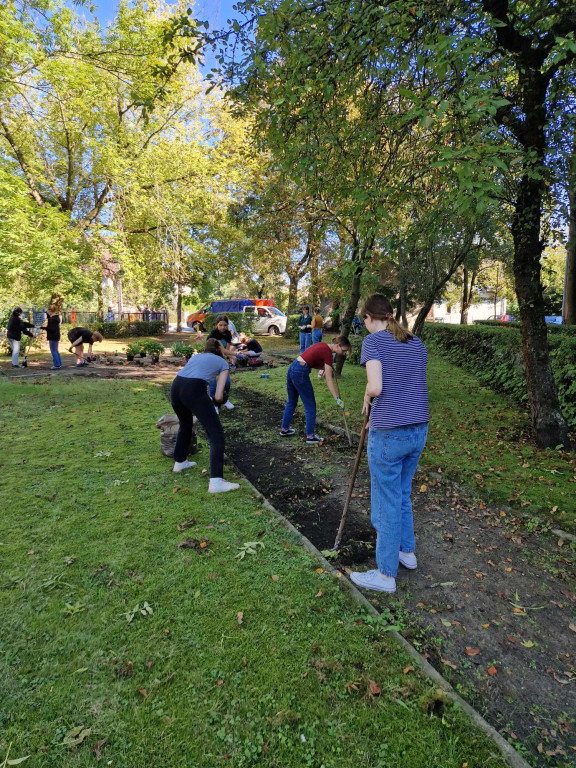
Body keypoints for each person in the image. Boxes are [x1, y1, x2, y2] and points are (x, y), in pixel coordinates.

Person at [350, 294, 429, 594]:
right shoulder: (416, 343)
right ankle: (406, 553)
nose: (364, 326)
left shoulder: (373, 343)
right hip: (418, 430)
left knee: (386, 501)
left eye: (362, 321)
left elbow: (377, 386)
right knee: (402, 494)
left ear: (369, 318)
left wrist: (367, 397)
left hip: (389, 435)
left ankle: (385, 575)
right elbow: (407, 384)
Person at [170, 338, 240, 493]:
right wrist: (214, 401)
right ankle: (216, 482)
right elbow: (219, 396)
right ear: (220, 349)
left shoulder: (196, 357)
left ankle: (180, 462)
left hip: (175, 387)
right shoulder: (222, 363)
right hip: (194, 390)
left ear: (205, 348)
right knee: (216, 434)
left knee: (186, 423)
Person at [280, 336, 351, 444]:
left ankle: (284, 430)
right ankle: (310, 436)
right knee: (310, 406)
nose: (344, 353)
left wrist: (326, 367)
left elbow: (312, 361)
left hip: (293, 368)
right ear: (337, 346)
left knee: (291, 401)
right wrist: (336, 398)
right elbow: (328, 379)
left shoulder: (323, 345)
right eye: (344, 350)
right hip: (300, 373)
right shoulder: (328, 354)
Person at [207, 315, 237, 410]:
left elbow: (226, 350)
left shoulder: (228, 333)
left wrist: (229, 358)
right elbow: (223, 350)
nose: (223, 327)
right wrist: (237, 355)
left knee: (227, 382)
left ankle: (225, 400)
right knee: (213, 384)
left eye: (225, 325)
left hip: (221, 360)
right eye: (220, 325)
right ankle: (214, 404)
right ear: (216, 325)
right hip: (211, 360)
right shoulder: (214, 334)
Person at [41, 304, 62, 369]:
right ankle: (59, 363)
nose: (46, 312)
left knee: (53, 350)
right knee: (56, 350)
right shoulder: (56, 318)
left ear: (50, 310)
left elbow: (51, 329)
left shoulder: (51, 320)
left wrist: (43, 328)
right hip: (56, 335)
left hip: (52, 336)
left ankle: (56, 365)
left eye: (47, 310)